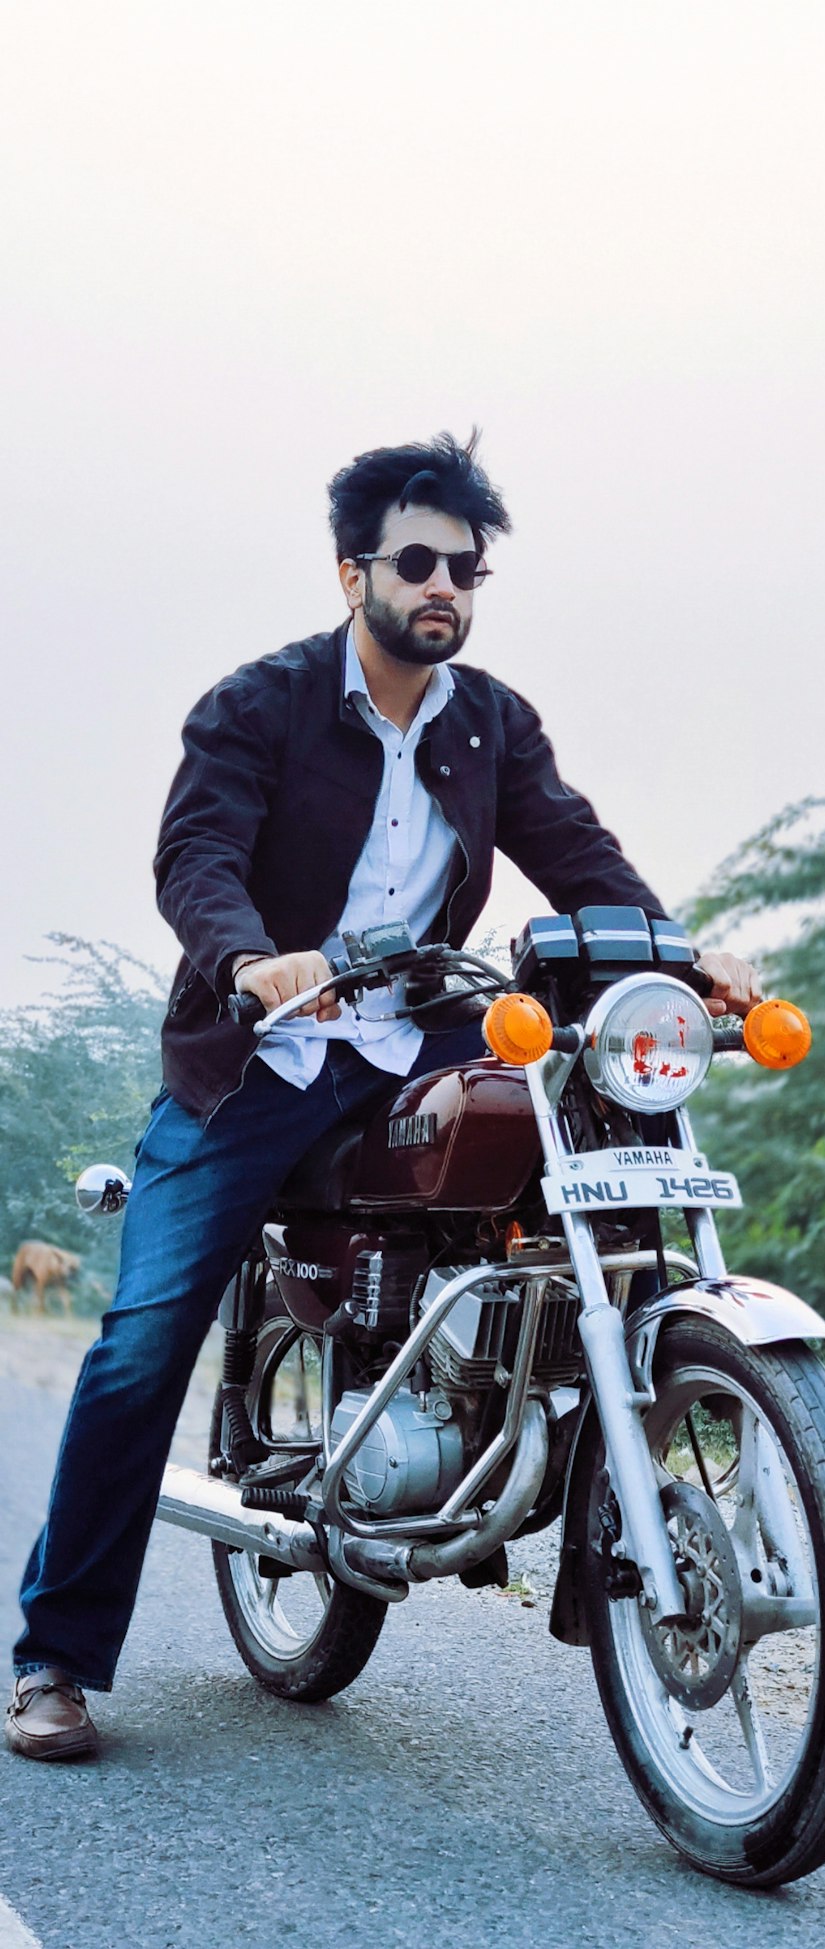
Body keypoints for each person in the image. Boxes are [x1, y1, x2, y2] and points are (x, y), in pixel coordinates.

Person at [6, 432, 762, 1761]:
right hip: (264, 1053)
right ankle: (55, 1654)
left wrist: (684, 955)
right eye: (417, 561)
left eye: (467, 568)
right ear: (353, 567)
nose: (444, 587)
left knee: (600, 1115)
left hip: (414, 1033)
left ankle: (599, 1519)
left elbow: (577, 850)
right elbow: (199, 852)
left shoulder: (488, 721)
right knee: (139, 1339)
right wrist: (251, 958)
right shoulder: (264, 703)